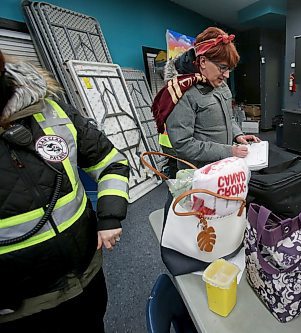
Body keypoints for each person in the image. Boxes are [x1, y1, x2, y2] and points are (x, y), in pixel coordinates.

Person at [0, 50, 129, 332]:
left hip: (87, 273)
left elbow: (111, 163)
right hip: (22, 305)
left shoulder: (52, 110)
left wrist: (110, 216)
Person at [152, 26, 260, 169]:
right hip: (199, 175)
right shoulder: (183, 92)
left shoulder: (219, 83)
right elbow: (183, 144)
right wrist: (228, 151)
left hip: (223, 167)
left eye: (229, 69)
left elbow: (229, 118)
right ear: (202, 62)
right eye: (223, 67)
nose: (227, 75)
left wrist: (238, 135)